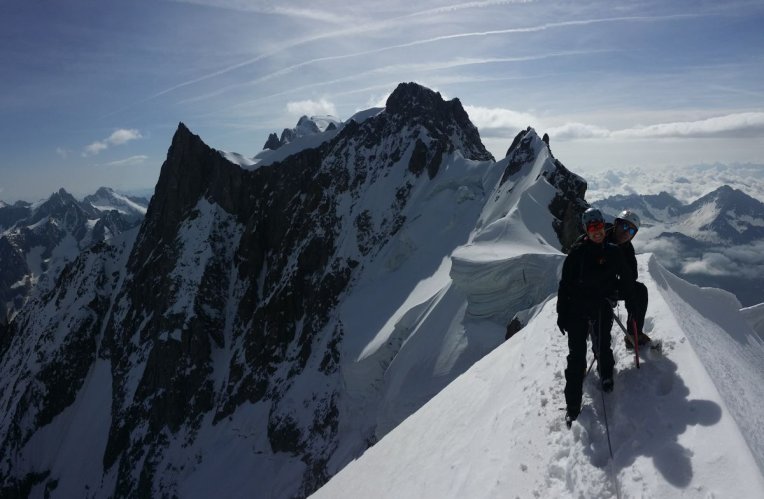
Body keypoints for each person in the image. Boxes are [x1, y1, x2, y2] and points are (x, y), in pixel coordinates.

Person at [557, 208, 633, 427]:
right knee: (576, 358)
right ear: (586, 230)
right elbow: (565, 287)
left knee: (603, 345)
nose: (597, 232)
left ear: (603, 226)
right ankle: (572, 407)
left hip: (601, 306)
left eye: (599, 227)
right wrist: (562, 314)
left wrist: (621, 293)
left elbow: (626, 277)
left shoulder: (614, 251)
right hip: (577, 310)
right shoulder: (576, 255)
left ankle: (606, 374)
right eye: (592, 228)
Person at [606, 210, 650, 348]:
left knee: (639, 290)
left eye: (631, 231)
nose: (626, 233)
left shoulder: (627, 248)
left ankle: (633, 333)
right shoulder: (599, 237)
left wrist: (621, 268)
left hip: (612, 287)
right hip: (593, 289)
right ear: (616, 224)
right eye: (625, 227)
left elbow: (633, 275)